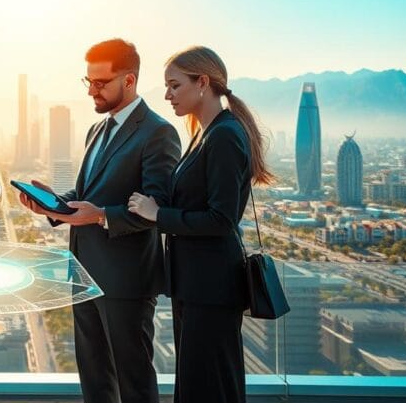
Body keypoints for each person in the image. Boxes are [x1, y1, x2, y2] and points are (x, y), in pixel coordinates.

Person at [18, 39, 180, 403]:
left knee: (133, 383)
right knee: (94, 381)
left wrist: (103, 216)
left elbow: (159, 207)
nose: (91, 90)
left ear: (129, 80)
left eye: (100, 83)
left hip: (125, 282)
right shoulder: (97, 129)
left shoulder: (158, 132)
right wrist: (53, 206)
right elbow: (86, 194)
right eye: (88, 81)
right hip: (83, 276)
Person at [128, 45, 275, 403]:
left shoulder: (224, 135)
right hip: (195, 286)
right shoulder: (206, 132)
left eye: (175, 85)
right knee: (199, 386)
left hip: (211, 288)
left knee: (209, 388)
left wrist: (158, 215)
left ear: (203, 83)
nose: (167, 95)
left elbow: (221, 219)